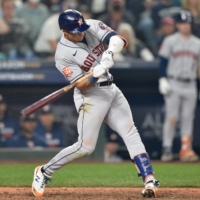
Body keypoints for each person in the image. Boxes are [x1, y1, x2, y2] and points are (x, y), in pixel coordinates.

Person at [31, 9, 160, 198]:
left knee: (129, 130)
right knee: (86, 147)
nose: (81, 32)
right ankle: (43, 172)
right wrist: (96, 73)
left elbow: (121, 40)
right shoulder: (62, 54)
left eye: (81, 28)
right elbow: (81, 86)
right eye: (76, 31)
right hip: (91, 96)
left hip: (111, 89)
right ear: (64, 31)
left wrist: (108, 53)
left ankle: (149, 180)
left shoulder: (90, 25)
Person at [158, 10, 200, 162]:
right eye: (182, 23)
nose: (185, 26)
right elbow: (163, 62)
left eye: (187, 23)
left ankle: (185, 149)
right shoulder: (170, 41)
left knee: (188, 117)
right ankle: (167, 148)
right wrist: (162, 79)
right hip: (173, 82)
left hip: (190, 83)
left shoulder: (197, 43)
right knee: (172, 117)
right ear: (177, 24)